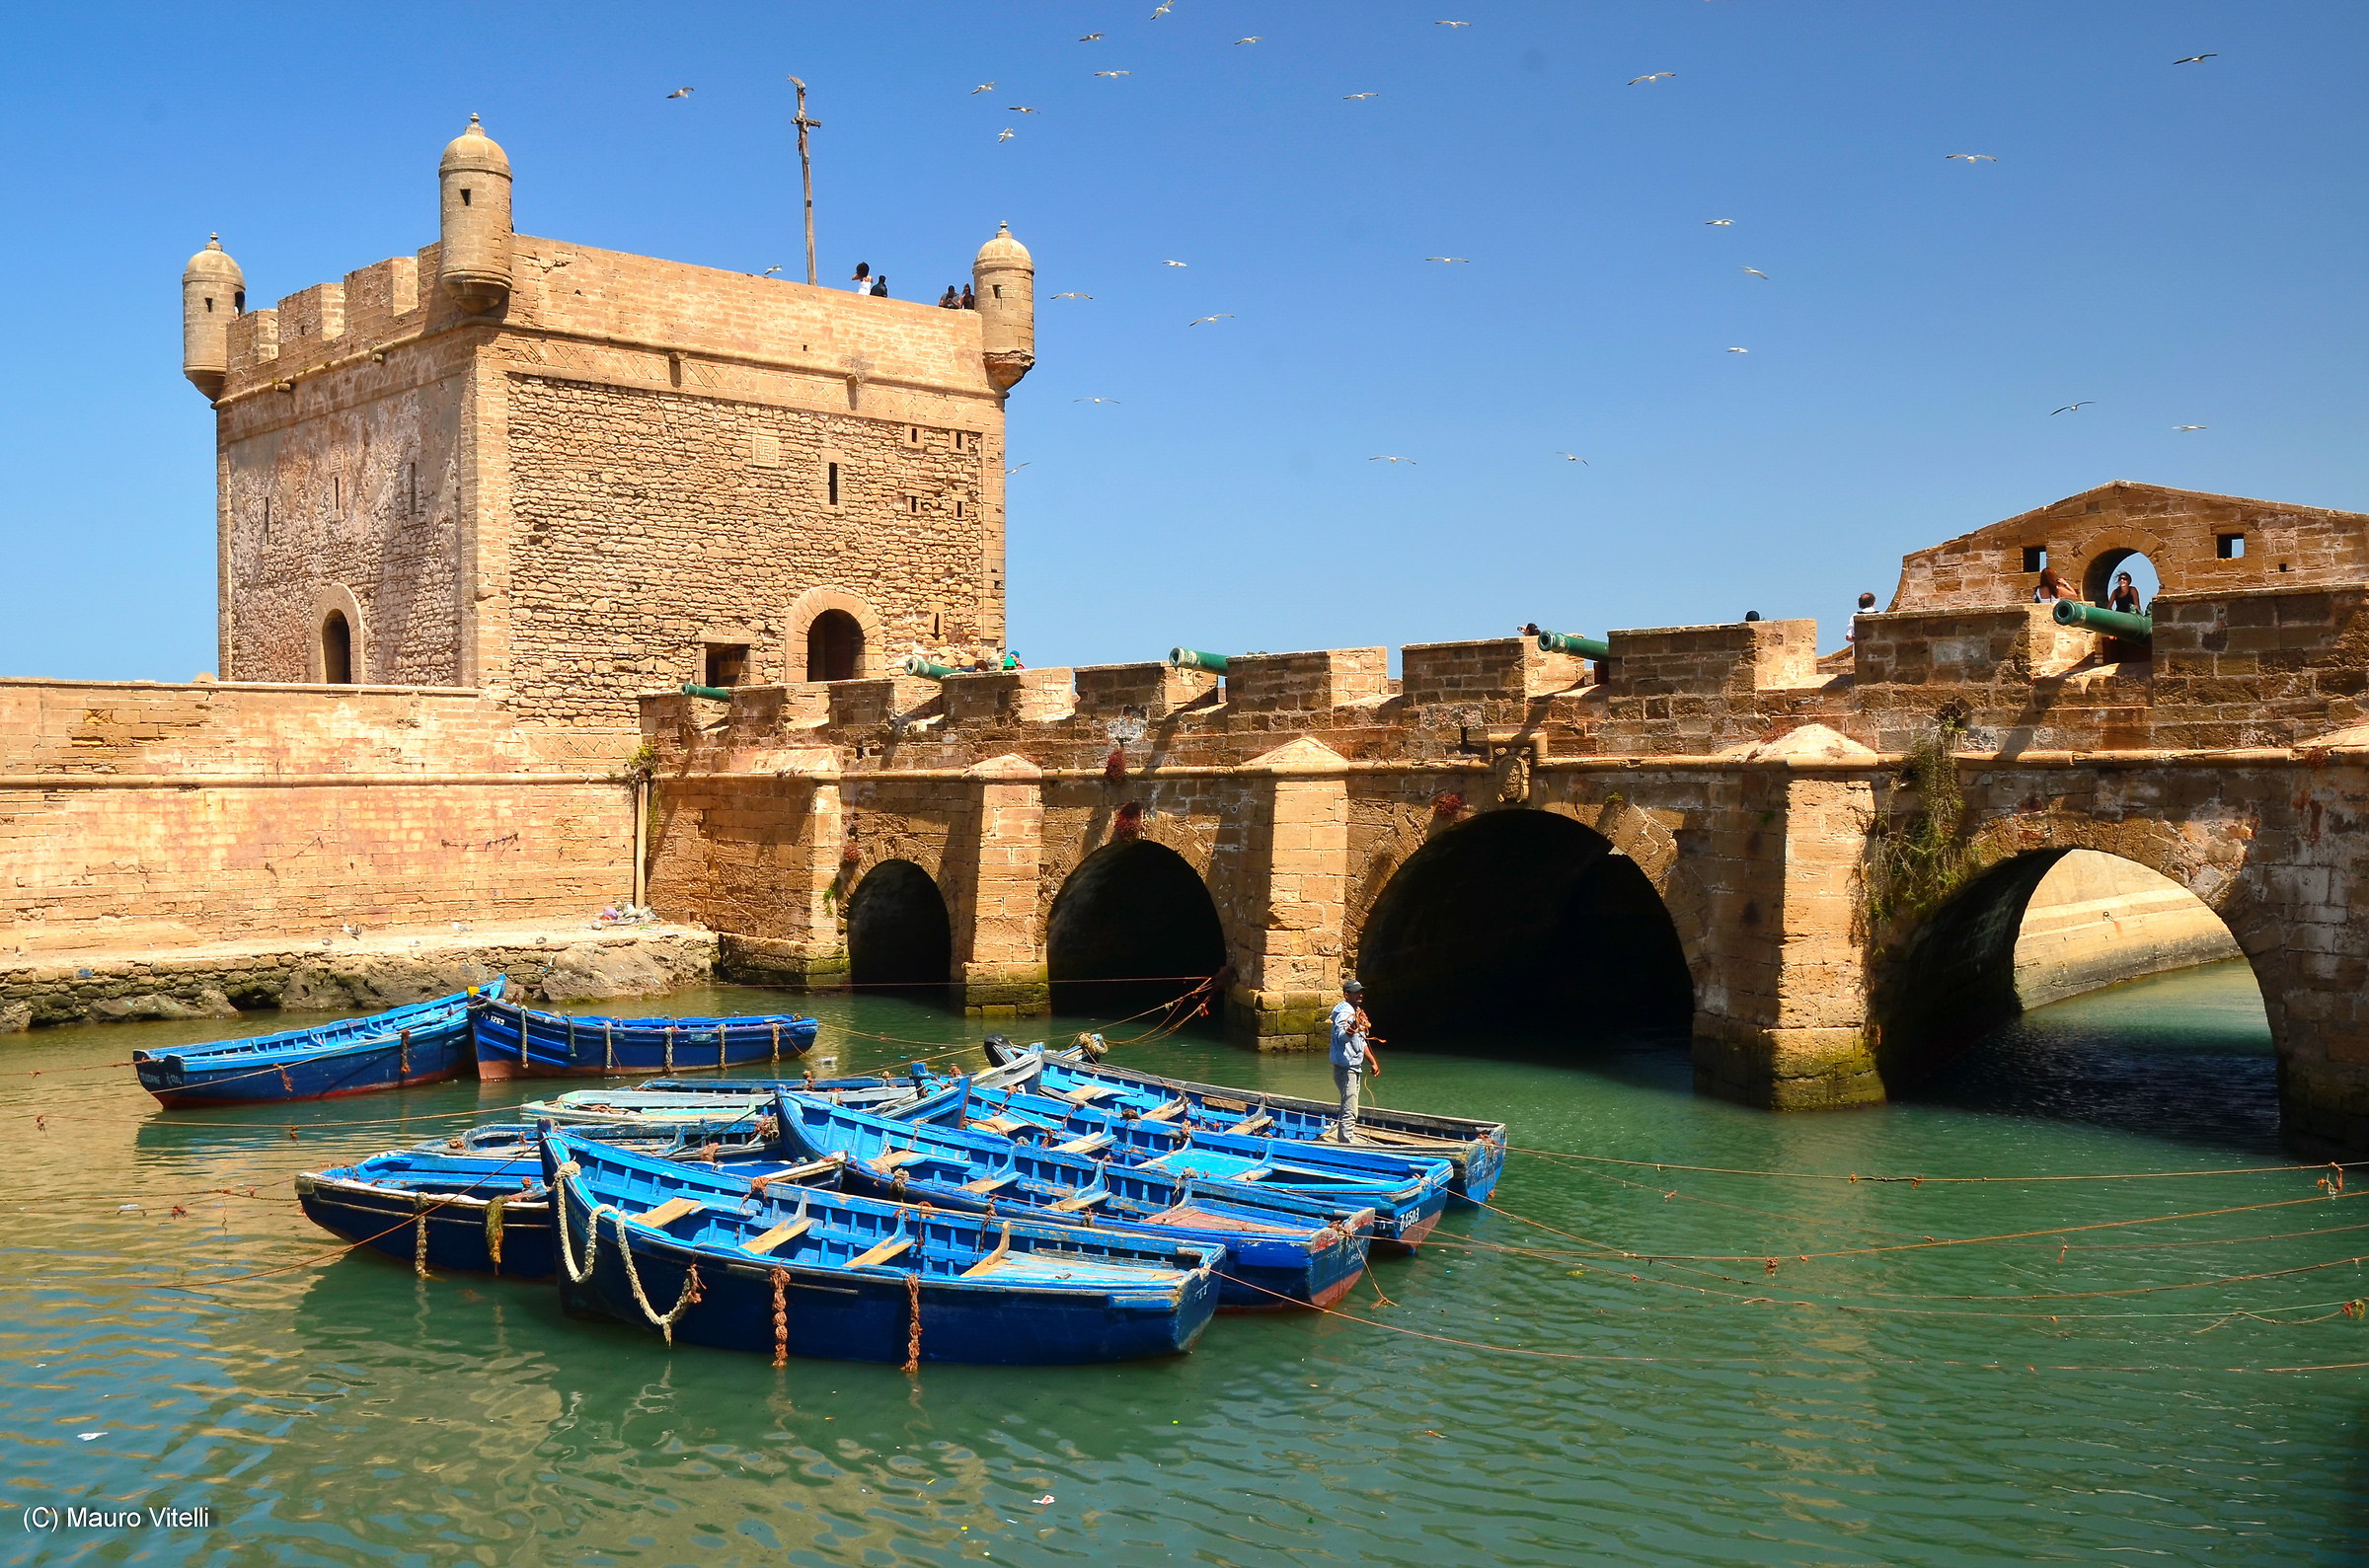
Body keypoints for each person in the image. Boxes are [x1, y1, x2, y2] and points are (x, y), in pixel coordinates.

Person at [1329, 980, 1381, 1142]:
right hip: (1345, 1069)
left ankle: (1344, 1138)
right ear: (1346, 995)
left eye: (1361, 992)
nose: (1360, 995)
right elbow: (1341, 1037)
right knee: (1350, 1108)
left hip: (1354, 1067)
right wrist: (1352, 1028)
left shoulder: (1356, 1011)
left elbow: (1362, 1040)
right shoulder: (1344, 1015)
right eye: (1356, 992)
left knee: (1350, 1105)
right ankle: (1346, 1142)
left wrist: (1372, 1061)